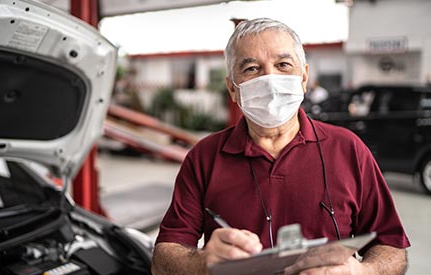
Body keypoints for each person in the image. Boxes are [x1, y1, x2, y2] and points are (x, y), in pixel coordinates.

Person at [151, 18, 410, 275]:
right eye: (252, 68)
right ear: (232, 88)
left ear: (304, 77)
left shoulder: (349, 149)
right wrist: (203, 264)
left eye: (283, 64)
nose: (270, 79)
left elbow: (391, 246)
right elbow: (164, 257)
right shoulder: (204, 157)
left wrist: (363, 272)